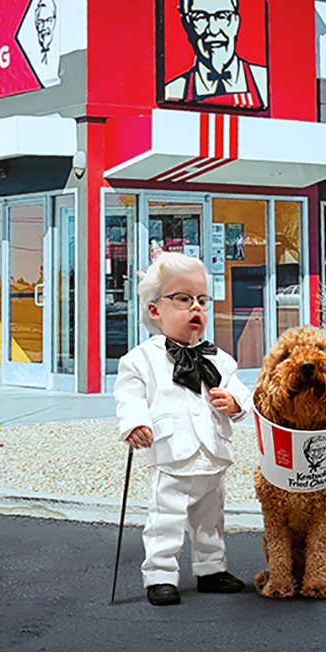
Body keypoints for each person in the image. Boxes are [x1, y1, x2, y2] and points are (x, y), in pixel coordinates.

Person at [114, 251, 254, 605]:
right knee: (165, 521)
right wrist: (135, 423)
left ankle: (212, 568)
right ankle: (160, 575)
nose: (196, 307)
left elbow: (242, 393)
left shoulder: (220, 359)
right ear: (155, 309)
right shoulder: (139, 360)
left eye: (202, 300)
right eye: (183, 298)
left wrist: (235, 402)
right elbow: (128, 397)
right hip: (171, 456)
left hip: (212, 456)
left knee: (211, 520)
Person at [160, 0, 268, 110]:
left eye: (222, 16)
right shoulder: (173, 91)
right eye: (200, 17)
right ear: (187, 24)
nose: (213, 29)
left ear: (236, 22)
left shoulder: (264, 82)